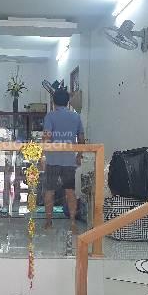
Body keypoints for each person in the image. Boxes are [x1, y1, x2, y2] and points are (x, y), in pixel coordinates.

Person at [43, 89, 85, 232]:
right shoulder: (76, 116)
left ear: (53, 101)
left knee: (49, 191)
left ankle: (48, 222)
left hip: (52, 159)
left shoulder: (50, 116)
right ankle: (72, 223)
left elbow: (47, 137)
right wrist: (79, 155)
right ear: (68, 102)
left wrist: (42, 155)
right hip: (69, 160)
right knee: (70, 192)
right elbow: (81, 138)